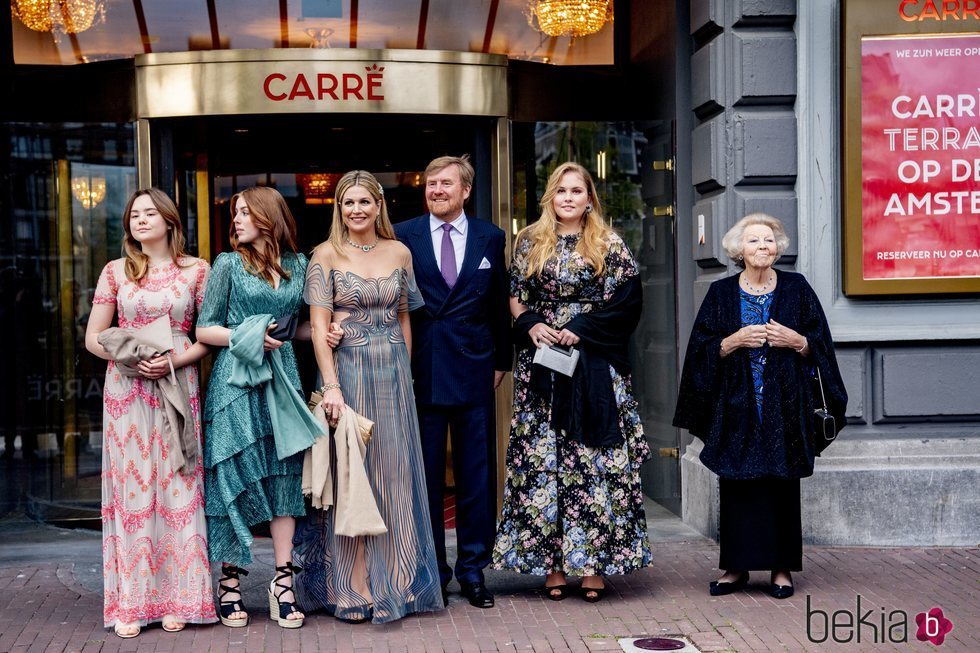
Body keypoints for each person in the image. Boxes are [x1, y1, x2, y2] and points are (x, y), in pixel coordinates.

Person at [492, 162, 651, 603]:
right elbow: (512, 292)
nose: (568, 197)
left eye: (576, 191)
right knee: (546, 461)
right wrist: (529, 322)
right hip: (544, 363)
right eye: (560, 190)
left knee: (593, 460)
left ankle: (594, 564)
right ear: (550, 196)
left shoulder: (608, 243)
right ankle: (554, 566)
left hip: (594, 359)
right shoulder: (529, 241)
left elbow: (628, 301)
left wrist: (582, 326)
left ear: (589, 198)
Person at [672, 213, 847, 599]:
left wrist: (797, 341)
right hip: (737, 403)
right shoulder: (720, 293)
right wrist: (731, 341)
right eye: (753, 241)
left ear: (778, 248)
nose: (762, 247)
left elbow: (821, 343)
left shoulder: (796, 288)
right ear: (739, 250)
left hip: (785, 404)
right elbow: (701, 348)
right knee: (737, 484)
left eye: (769, 240)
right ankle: (736, 567)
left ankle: (781, 568)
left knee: (780, 484)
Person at [295, 170, 443, 624]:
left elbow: (404, 318)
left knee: (395, 476)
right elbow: (319, 329)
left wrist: (409, 379)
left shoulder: (400, 252)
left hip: (394, 376)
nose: (356, 210)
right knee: (353, 478)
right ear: (338, 208)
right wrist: (331, 386)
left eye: (364, 202)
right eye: (348, 203)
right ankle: (352, 587)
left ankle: (397, 580)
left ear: (379, 206)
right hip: (350, 376)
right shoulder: (325, 255)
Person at [85, 188, 216, 638]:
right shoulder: (115, 271)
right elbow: (93, 337)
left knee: (178, 484)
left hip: (178, 385)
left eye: (149, 213)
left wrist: (175, 361)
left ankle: (180, 598)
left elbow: (209, 335)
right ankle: (133, 603)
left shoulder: (198, 269)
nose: (140, 221)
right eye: (134, 215)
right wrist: (131, 357)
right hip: (128, 388)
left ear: (169, 220)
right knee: (133, 489)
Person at [391, 155, 511, 608]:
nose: (436, 190)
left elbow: (498, 304)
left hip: (476, 367)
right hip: (420, 368)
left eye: (445, 183)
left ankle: (474, 570)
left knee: (476, 475)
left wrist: (502, 358)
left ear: (465, 190)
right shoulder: (403, 234)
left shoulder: (490, 237)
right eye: (430, 184)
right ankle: (433, 572)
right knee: (424, 477)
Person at [196, 186, 313, 629]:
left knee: (285, 475)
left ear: (269, 216)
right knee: (234, 476)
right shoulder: (226, 264)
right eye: (236, 213)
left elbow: (297, 328)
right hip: (234, 383)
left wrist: (327, 332)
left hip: (282, 379)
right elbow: (205, 328)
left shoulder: (300, 265)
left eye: (246, 212)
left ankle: (283, 582)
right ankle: (229, 582)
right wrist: (248, 335)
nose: (237, 220)